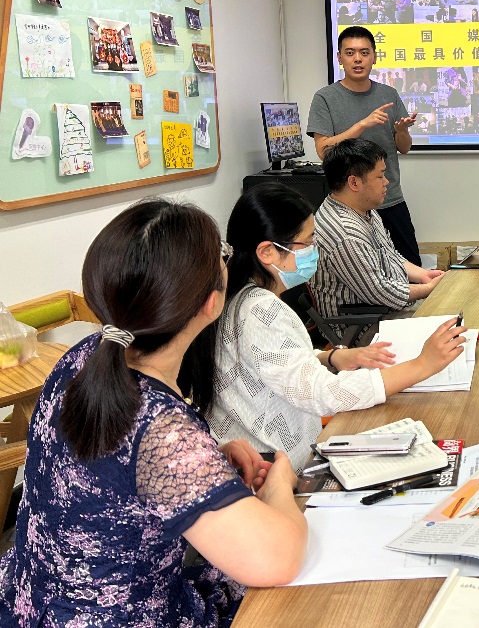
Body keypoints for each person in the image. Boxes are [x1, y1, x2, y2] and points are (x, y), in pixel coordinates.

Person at [0, 199, 307, 625]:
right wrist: (280, 486)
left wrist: (204, 465)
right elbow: (276, 559)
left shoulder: (82, 357)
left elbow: (110, 468)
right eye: (221, 253)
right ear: (211, 303)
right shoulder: (162, 430)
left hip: (30, 602)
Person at [211, 182, 465, 469]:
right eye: (307, 243)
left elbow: (270, 360)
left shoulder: (240, 297)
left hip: (273, 455)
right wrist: (422, 365)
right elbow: (325, 394)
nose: (314, 251)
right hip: (273, 468)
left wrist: (329, 357)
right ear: (267, 252)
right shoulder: (261, 310)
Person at [307, 25, 422, 265]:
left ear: (374, 57)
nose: (357, 59)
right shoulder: (325, 97)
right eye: (349, 53)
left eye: (364, 52)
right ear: (339, 58)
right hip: (348, 205)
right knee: (363, 272)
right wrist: (362, 124)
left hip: (390, 198)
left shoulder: (389, 94)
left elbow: (404, 147)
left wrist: (402, 132)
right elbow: (323, 150)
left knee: (410, 266)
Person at [312, 139, 447, 322]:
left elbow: (390, 256)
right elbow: (381, 292)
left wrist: (424, 275)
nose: (386, 182)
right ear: (354, 183)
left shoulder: (364, 210)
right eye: (380, 176)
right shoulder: (346, 234)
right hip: (364, 325)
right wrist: (430, 289)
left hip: (387, 309)